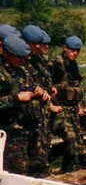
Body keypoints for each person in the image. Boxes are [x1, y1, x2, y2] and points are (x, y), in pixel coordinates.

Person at [2, 34, 50, 174]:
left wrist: (39, 92)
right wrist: (16, 98)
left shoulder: (20, 70)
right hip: (10, 134)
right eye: (19, 57)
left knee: (37, 169)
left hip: (29, 130)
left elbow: (30, 86)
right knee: (17, 176)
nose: (23, 61)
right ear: (7, 53)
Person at [49, 35, 86, 172]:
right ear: (65, 48)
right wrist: (51, 104)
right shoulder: (56, 64)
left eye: (77, 51)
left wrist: (83, 107)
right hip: (59, 109)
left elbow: (77, 88)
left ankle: (70, 171)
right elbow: (45, 85)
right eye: (72, 50)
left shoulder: (74, 66)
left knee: (81, 147)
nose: (75, 53)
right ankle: (69, 171)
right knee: (71, 140)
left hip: (72, 110)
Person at [22, 25, 59, 176]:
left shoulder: (38, 61)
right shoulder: (23, 61)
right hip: (27, 119)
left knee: (41, 153)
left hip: (40, 115)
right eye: (38, 43)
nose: (43, 46)